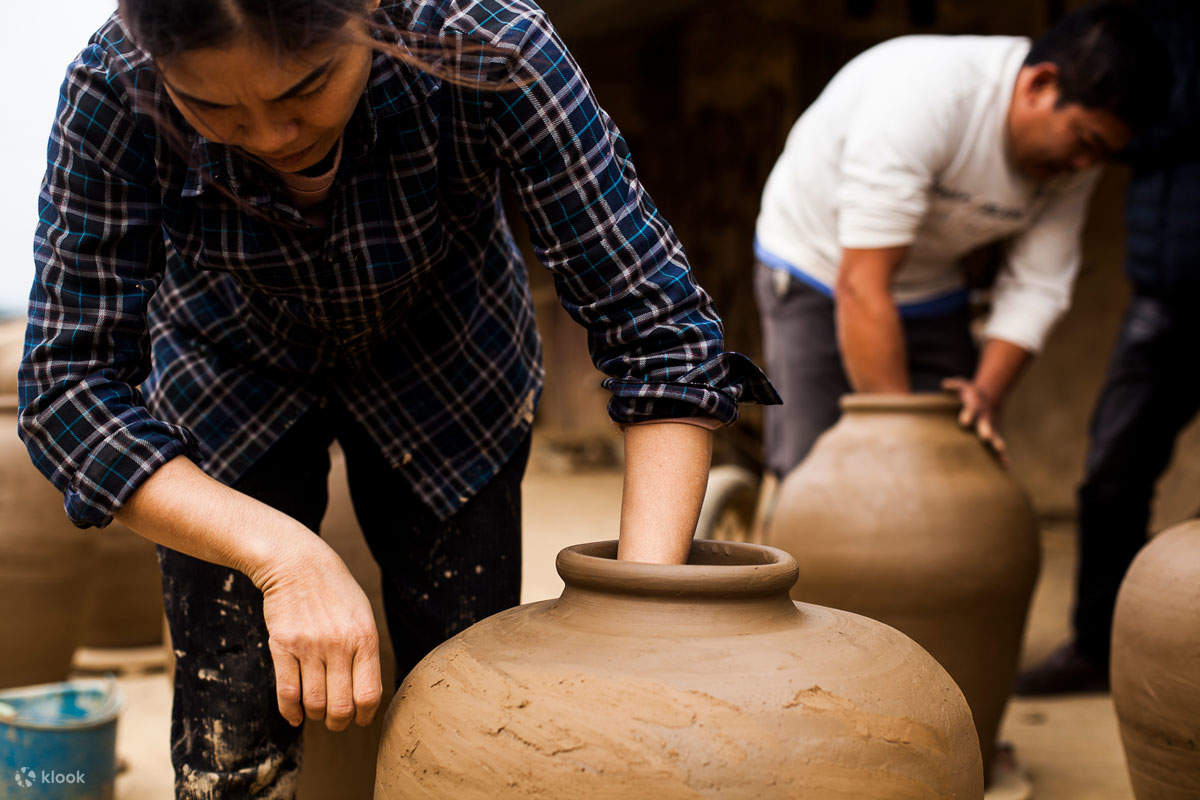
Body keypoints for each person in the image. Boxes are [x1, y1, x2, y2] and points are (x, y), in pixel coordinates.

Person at [17, 0, 779, 795]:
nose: (271, 138)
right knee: (230, 741)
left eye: (305, 88)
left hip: (448, 361)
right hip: (226, 366)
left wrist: (640, 612)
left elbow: (659, 334)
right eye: (213, 108)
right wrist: (280, 557)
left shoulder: (487, 41)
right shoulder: (115, 84)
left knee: (465, 714)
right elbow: (67, 389)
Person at [753, 2, 1171, 480]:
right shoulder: (926, 98)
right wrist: (894, 436)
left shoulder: (1075, 162)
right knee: (818, 468)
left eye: (1101, 155)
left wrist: (986, 393)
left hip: (932, 280)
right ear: (1039, 84)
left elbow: (1038, 285)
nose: (1084, 166)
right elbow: (862, 284)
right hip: (819, 263)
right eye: (1084, 142)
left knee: (959, 454)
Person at [1016, 0, 1198, 695]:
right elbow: (1135, 123)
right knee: (1113, 475)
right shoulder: (1149, 23)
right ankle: (1098, 647)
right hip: (1165, 286)